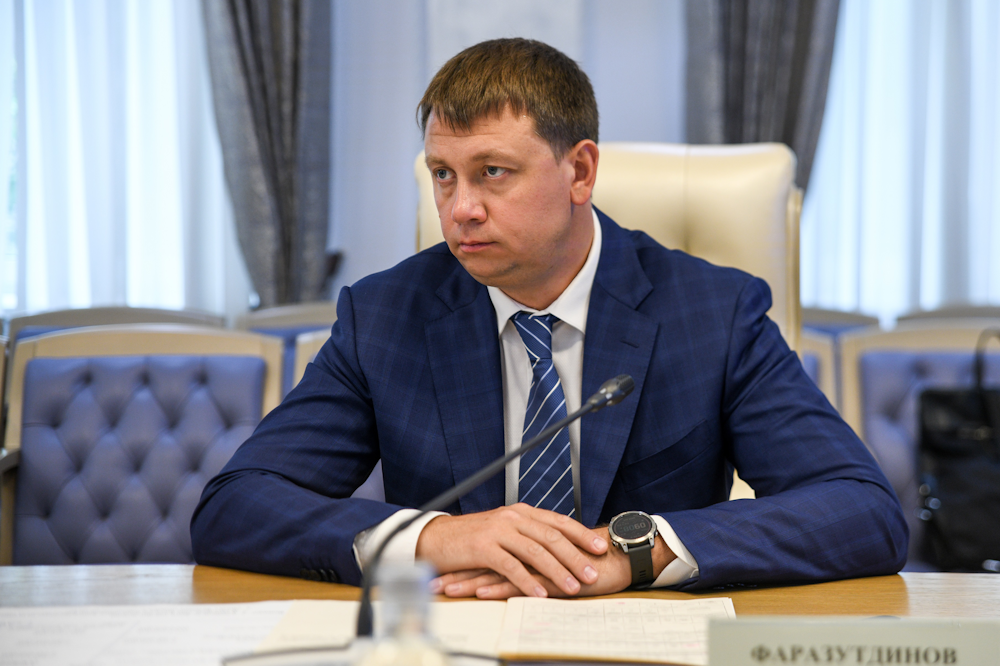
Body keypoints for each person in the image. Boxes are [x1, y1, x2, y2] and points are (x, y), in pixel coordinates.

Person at [191, 38, 907, 598]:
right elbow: (235, 507)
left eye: (492, 172)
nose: (460, 208)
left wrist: (632, 552)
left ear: (580, 172)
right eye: (443, 175)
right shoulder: (385, 316)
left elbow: (861, 510)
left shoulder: (714, 313)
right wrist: (437, 539)